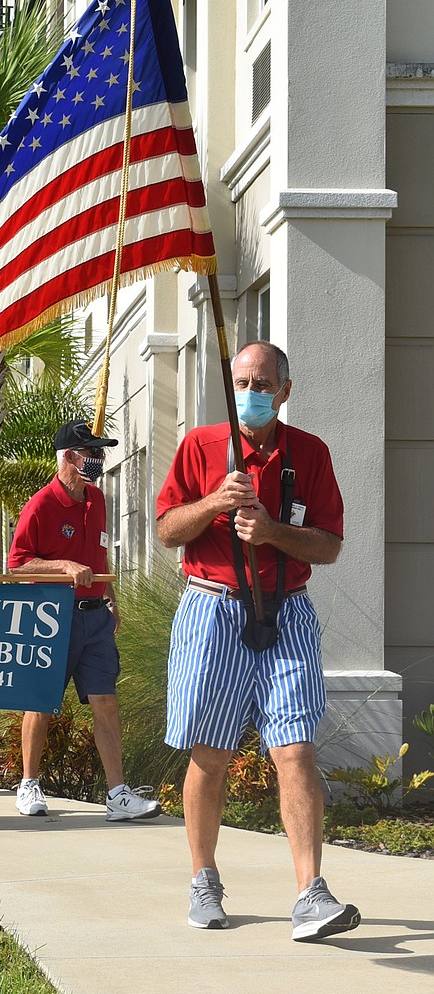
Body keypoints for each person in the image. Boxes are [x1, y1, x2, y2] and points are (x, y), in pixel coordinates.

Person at [156, 341, 360, 942]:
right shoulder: (201, 447)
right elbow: (167, 528)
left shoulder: (310, 454)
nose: (252, 390)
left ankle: (310, 894)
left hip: (287, 612)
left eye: (264, 381)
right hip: (213, 610)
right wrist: (216, 501)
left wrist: (271, 531)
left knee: (294, 748)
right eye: (243, 380)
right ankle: (203, 877)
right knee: (210, 754)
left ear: (285, 390)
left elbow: (329, 544)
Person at [7, 420, 161, 823]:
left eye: (99, 452)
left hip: (95, 619)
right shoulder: (41, 503)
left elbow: (100, 554)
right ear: (68, 457)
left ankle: (117, 794)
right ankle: (28, 784)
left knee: (106, 703)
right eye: (91, 453)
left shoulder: (97, 498)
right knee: (40, 702)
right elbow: (17, 563)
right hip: (52, 619)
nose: (98, 459)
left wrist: (112, 600)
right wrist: (62, 565)